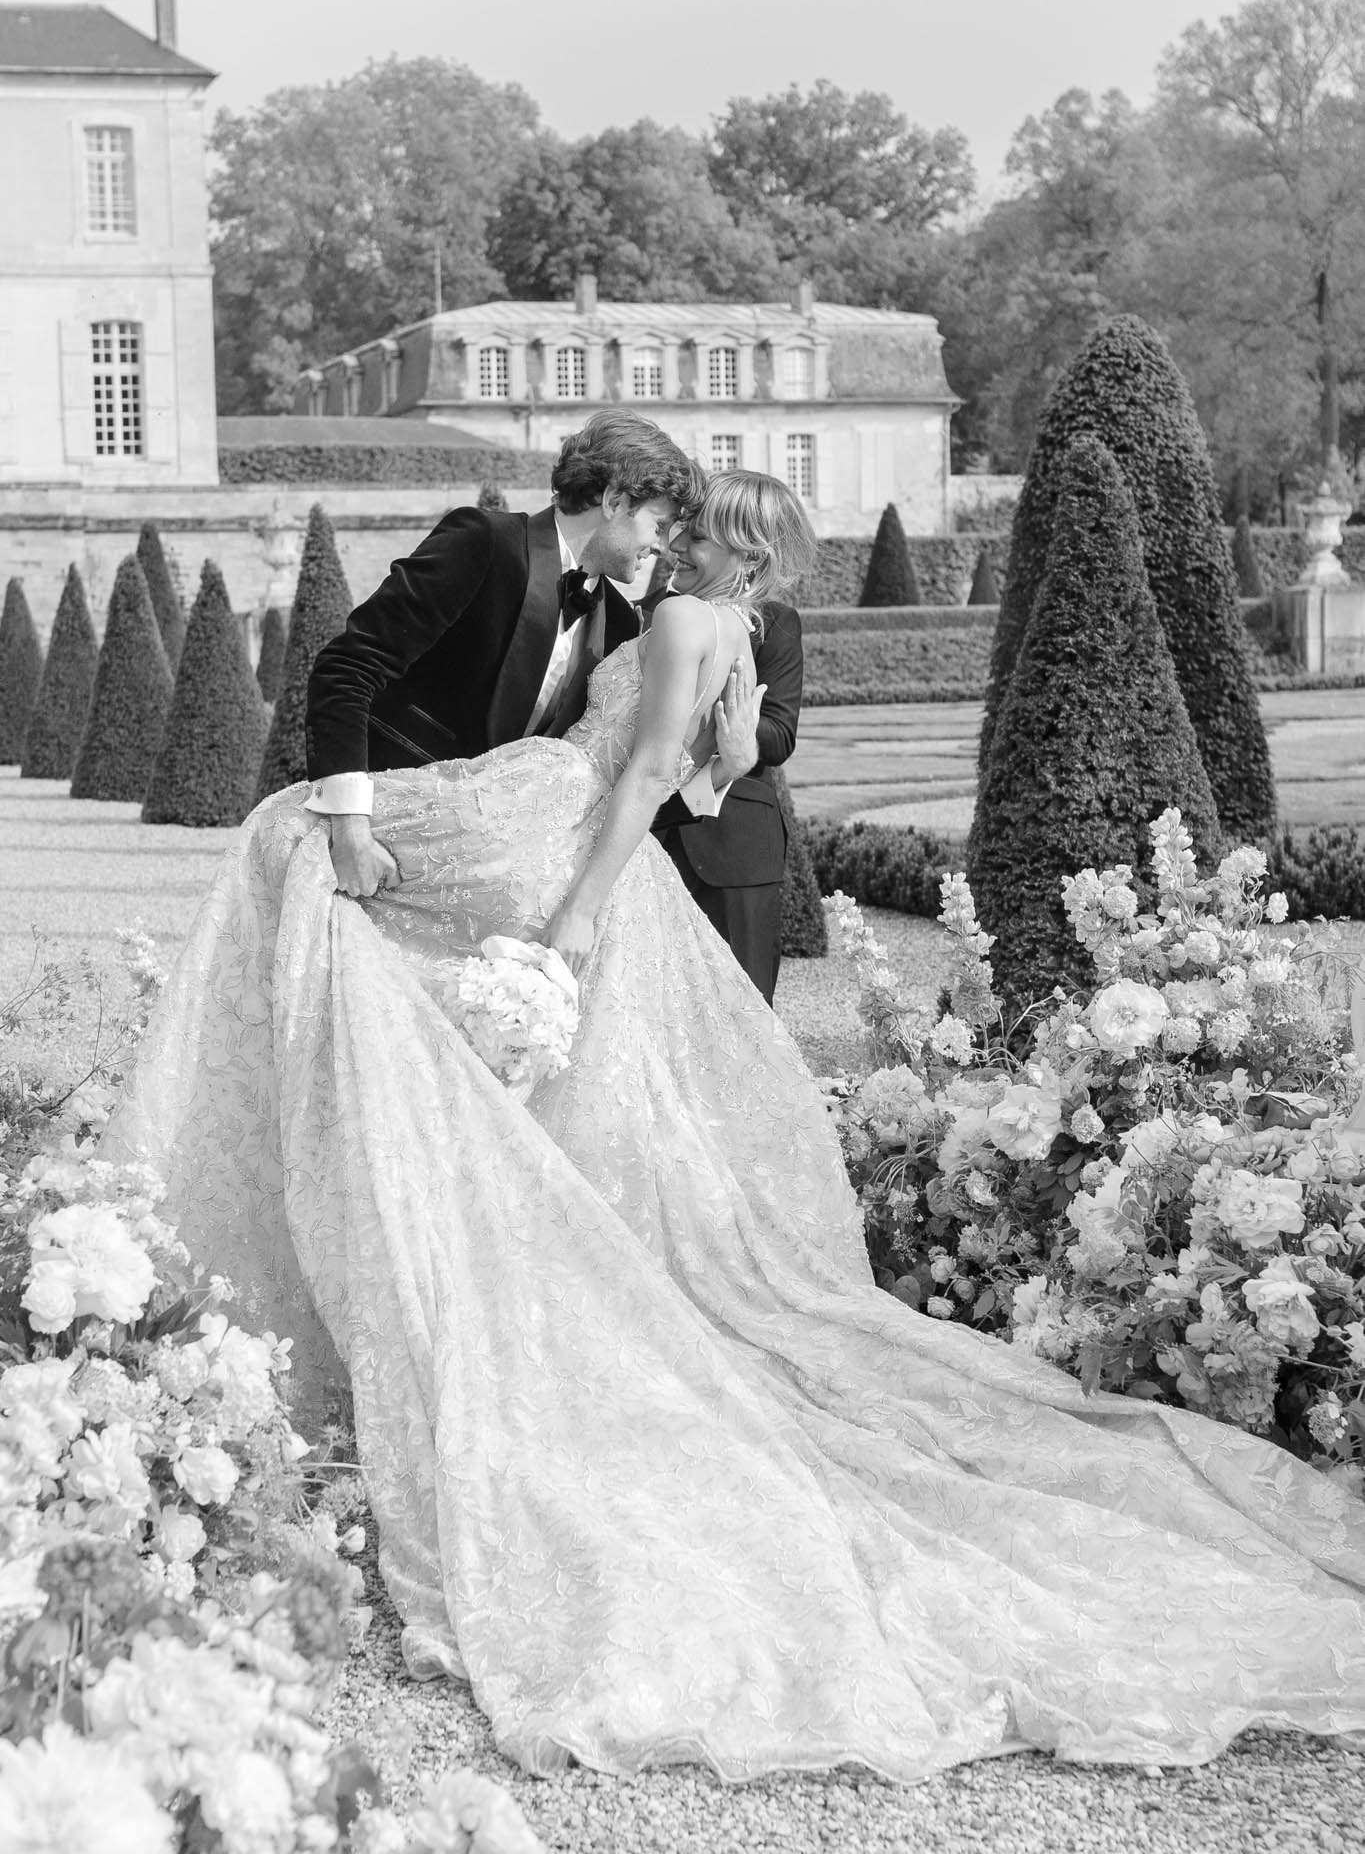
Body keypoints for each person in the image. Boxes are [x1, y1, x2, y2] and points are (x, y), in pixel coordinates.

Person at [105, 467, 1365, 1786]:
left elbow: (653, 777)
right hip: (592, 829)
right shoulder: (733, 635)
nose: (681, 529)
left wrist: (582, 909)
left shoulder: (696, 622)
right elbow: (720, 778)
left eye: (701, 523)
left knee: (293, 847)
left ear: (738, 550)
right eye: (678, 515)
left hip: (581, 833)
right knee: (553, 1096)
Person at [303, 408, 760, 899]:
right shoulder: (483, 544)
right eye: (658, 522)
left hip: (488, 882)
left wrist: (725, 769)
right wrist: (350, 827)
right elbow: (346, 669)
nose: (663, 545)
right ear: (614, 501)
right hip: (382, 845)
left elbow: (601, 791)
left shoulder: (623, 624)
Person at [650, 488, 805, 1004]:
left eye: (697, 536)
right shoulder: (653, 614)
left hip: (736, 845)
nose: (676, 543)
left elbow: (780, 732)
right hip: (645, 837)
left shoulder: (777, 625)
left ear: (750, 554)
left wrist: (736, 736)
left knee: (741, 1022)